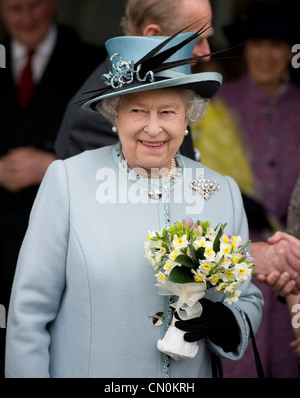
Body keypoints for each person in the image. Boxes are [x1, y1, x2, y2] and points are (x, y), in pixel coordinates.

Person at [5, 29, 263, 378]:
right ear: (115, 115)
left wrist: (220, 321)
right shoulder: (69, 180)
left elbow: (247, 299)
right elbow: (28, 315)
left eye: (168, 111)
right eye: (138, 110)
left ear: (188, 117)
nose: (153, 128)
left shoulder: (221, 191)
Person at [0, 0, 105, 378]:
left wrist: (52, 166)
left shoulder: (91, 61)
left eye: (35, 6)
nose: (27, 18)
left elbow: (115, 146)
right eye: (15, 9)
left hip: (65, 235)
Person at [212, 1, 300, 378]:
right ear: (245, 49)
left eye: (276, 45)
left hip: (294, 263)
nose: (266, 55)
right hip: (236, 255)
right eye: (257, 44)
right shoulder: (216, 105)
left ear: (291, 51)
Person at [54, 0, 214, 162]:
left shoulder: (169, 88)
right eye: (197, 40)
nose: (206, 53)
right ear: (153, 35)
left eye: (166, 112)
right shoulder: (98, 115)